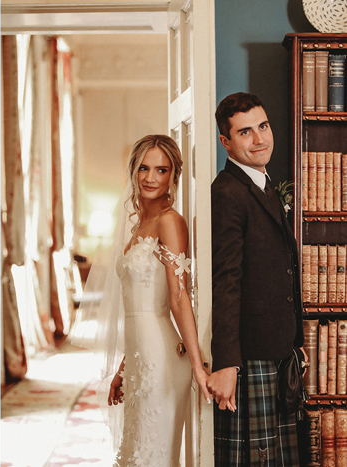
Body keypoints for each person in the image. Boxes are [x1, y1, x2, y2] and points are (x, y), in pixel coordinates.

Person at [85, 134, 211, 466]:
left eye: (161, 170)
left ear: (173, 176)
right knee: (138, 451)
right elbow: (138, 309)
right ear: (134, 170)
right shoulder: (139, 225)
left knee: (153, 454)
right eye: (144, 168)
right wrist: (123, 369)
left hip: (163, 360)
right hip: (140, 359)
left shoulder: (171, 222)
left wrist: (198, 366)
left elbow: (178, 297)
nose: (151, 178)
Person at [208, 92, 305, 466]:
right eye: (245, 132)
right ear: (226, 141)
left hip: (280, 352)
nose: (260, 139)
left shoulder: (263, 183)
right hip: (250, 359)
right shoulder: (227, 192)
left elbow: (280, 270)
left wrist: (296, 342)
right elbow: (226, 279)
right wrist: (226, 363)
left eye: (262, 127)